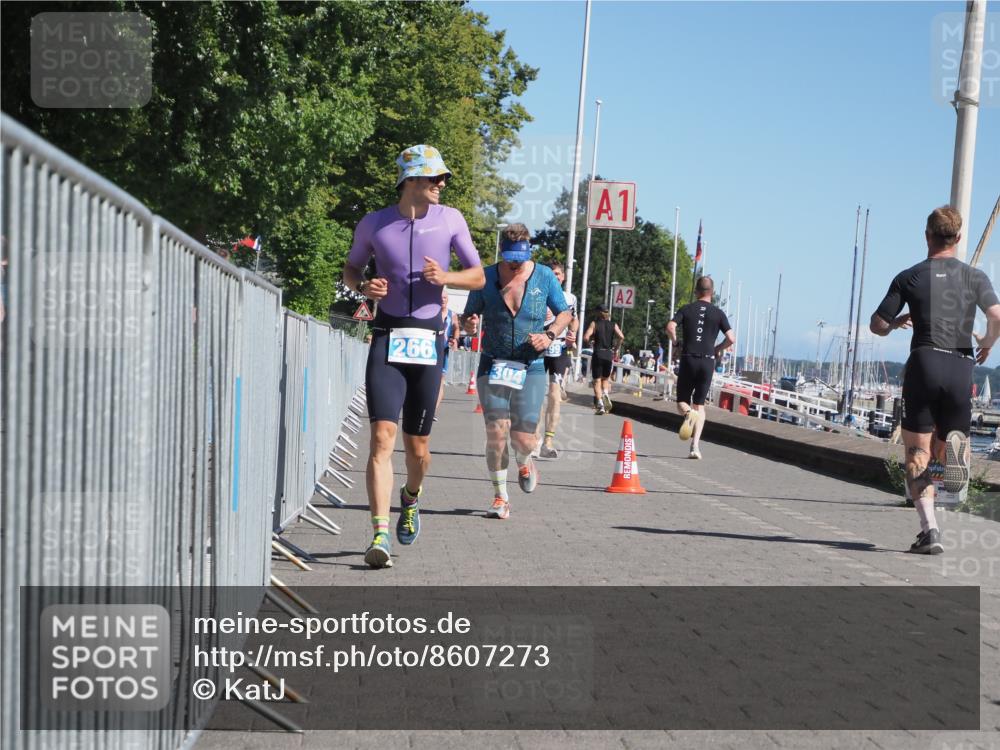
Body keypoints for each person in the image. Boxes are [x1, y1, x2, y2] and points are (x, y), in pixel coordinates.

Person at [343, 145, 485, 569]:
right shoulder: (374, 222)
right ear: (411, 181)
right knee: (382, 438)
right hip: (387, 336)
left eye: (443, 179)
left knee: (417, 449)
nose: (442, 185)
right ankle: (379, 533)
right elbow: (350, 269)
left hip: (427, 339)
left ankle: (411, 496)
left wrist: (447, 277)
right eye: (435, 178)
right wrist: (363, 286)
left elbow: (478, 275)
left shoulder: (451, 219)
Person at [869, 205, 1000, 555]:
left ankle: (930, 530)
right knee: (945, 446)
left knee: (917, 452)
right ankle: (954, 454)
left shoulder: (910, 276)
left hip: (925, 362)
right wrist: (987, 342)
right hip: (960, 365)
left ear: (927, 236)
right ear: (957, 239)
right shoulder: (975, 277)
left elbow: (877, 324)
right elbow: (996, 316)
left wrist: (897, 323)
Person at [460, 224, 572, 520]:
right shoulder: (486, 277)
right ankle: (500, 497)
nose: (514, 264)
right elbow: (470, 315)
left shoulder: (545, 276)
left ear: (528, 251)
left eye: (519, 258)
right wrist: (469, 324)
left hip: (531, 366)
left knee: (524, 439)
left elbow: (564, 313)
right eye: (509, 257)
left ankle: (524, 461)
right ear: (501, 253)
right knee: (496, 433)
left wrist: (549, 335)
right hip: (493, 363)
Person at [666, 276, 735, 459]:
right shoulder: (718, 313)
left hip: (689, 358)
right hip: (707, 361)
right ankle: (695, 447)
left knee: (682, 401)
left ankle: (689, 414)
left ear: (696, 291)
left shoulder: (687, 309)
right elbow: (731, 338)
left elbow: (670, 327)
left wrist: (676, 344)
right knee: (700, 405)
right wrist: (717, 348)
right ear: (712, 293)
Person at [537, 261, 578, 459]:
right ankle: (535, 440)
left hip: (559, 348)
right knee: (535, 396)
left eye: (558, 274)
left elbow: (574, 319)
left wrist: (573, 333)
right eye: (551, 273)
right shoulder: (536, 294)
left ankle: (548, 441)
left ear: (563, 277)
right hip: (538, 347)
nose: (555, 276)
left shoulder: (570, 298)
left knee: (554, 394)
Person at [583, 304, 624, 415]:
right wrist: (616, 348)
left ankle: (600, 404)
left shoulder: (594, 323)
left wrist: (590, 342)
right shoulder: (613, 324)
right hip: (608, 354)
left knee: (596, 380)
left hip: (598, 353)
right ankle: (605, 393)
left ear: (598, 313)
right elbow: (621, 336)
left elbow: (586, 337)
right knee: (605, 379)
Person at [436, 288, 460, 418]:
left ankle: (432, 411)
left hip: (443, 350)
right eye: (440, 298)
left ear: (447, 300)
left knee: (440, 380)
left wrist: (455, 339)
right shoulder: (431, 312)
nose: (442, 300)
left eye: (444, 298)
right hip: (430, 349)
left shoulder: (452, 314)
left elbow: (456, 327)